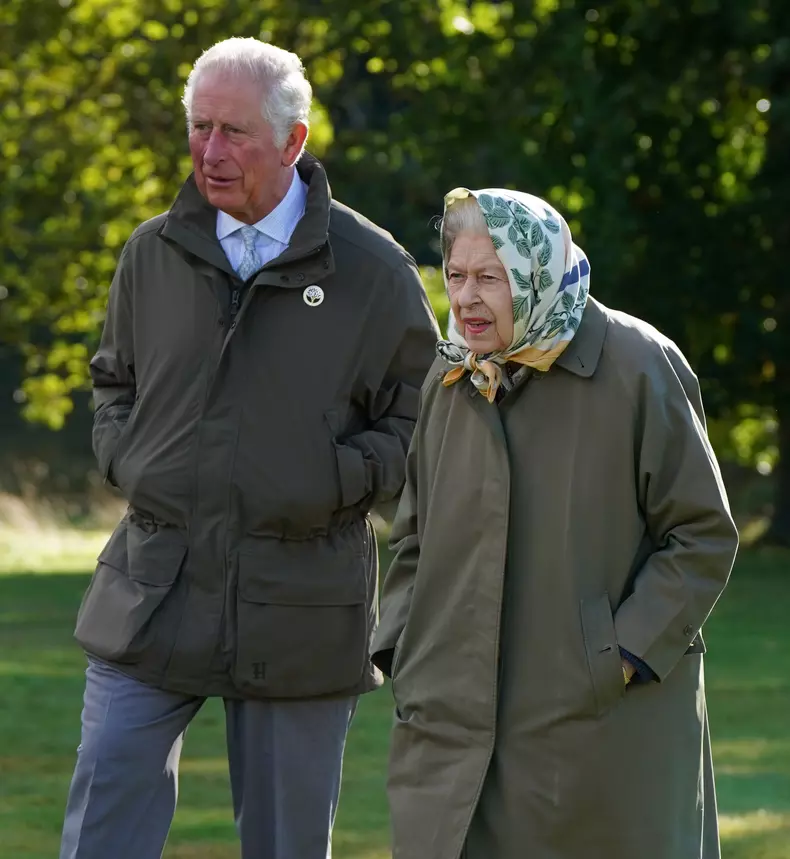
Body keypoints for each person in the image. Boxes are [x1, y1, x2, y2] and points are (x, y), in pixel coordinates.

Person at [60, 37, 438, 859]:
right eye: (200, 127)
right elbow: (112, 382)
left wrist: (331, 477)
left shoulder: (373, 271)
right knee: (99, 832)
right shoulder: (152, 251)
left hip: (298, 605)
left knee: (288, 847)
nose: (211, 151)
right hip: (151, 588)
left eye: (234, 131)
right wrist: (130, 458)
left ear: (294, 141)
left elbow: (425, 424)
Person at [372, 187, 738, 859]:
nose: (468, 297)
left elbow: (701, 535)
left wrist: (618, 655)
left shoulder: (637, 365)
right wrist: (402, 647)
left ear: (538, 271)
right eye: (456, 275)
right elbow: (414, 538)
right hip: (451, 721)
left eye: (492, 277)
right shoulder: (450, 377)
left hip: (596, 727)